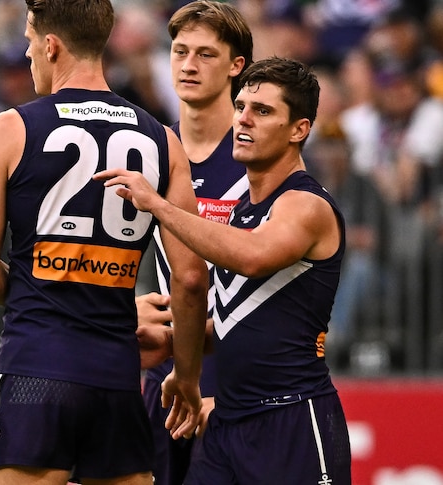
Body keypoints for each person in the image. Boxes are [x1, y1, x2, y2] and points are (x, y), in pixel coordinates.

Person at [0, 1, 209, 483]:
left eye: (31, 43)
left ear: (51, 46)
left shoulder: (11, 128)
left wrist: (58, 300)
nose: (30, 55)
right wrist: (188, 375)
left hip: (35, 369)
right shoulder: (162, 139)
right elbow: (192, 277)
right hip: (116, 377)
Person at [95, 56, 352, 484]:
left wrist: (158, 205)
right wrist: (178, 344)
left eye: (263, 111)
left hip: (292, 420)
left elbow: (253, 256)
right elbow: (239, 317)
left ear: (299, 130)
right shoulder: (242, 211)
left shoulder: (305, 204)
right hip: (227, 424)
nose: (243, 120)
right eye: (240, 107)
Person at [133, 2, 254, 484]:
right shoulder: (152, 152)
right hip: (165, 372)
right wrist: (127, 308)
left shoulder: (259, 155)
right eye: (180, 51)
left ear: (236, 66)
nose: (188, 64)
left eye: (206, 54)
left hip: (242, 376)